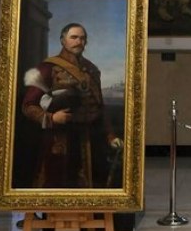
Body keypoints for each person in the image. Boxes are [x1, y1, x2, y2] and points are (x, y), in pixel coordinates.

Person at [20, 23, 123, 188]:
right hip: (59, 139)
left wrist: (111, 136)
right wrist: (51, 118)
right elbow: (28, 105)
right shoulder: (47, 68)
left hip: (90, 140)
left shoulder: (92, 70)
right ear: (63, 40)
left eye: (82, 38)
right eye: (74, 37)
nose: (78, 41)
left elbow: (100, 108)